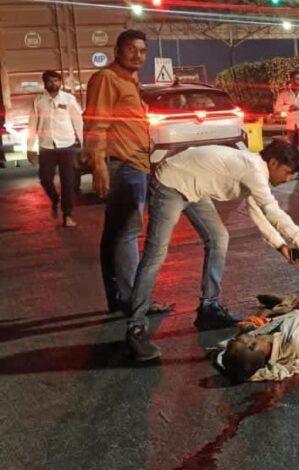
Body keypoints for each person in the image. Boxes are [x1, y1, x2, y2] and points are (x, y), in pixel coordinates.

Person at [125, 139, 299, 361]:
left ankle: (209, 309)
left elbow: (258, 210)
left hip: (193, 185)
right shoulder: (253, 170)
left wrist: (281, 245)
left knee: (218, 237)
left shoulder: (255, 171)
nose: (288, 179)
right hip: (171, 182)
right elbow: (272, 210)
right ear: (273, 163)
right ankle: (136, 327)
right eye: (287, 172)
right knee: (155, 254)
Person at [82, 29, 171, 317]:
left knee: (117, 234)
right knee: (127, 233)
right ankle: (134, 299)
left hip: (136, 163)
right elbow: (96, 123)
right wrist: (98, 163)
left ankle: (122, 298)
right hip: (124, 165)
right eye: (131, 49)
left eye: (142, 51)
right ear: (118, 50)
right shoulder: (107, 78)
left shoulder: (130, 80)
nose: (138, 55)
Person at [26, 70, 83, 227]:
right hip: (46, 146)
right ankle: (55, 199)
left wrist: (84, 145)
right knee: (45, 179)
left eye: (56, 81)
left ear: (60, 82)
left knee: (68, 182)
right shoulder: (38, 101)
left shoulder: (69, 99)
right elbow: (32, 125)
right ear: (44, 83)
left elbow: (78, 122)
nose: (53, 84)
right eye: (50, 81)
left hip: (67, 145)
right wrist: (30, 148)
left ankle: (67, 215)